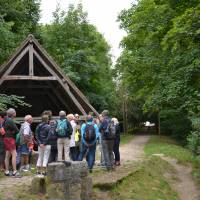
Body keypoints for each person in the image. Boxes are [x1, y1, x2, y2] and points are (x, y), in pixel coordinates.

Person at [4, 108, 19, 177]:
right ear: (13, 114)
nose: (16, 113)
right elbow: (16, 130)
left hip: (6, 138)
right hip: (10, 139)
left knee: (7, 155)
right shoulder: (10, 120)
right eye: (15, 112)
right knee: (14, 154)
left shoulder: (6, 120)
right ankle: (15, 171)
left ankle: (7, 171)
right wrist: (13, 132)